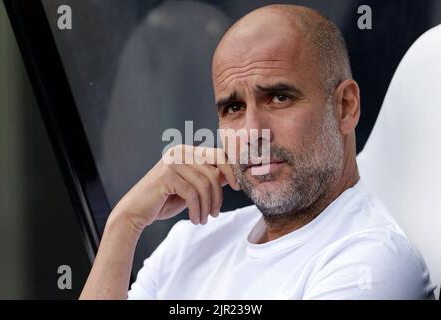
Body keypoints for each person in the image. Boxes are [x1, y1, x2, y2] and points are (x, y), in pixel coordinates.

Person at [80, 4, 435, 299]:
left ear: (344, 106)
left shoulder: (371, 264)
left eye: (280, 98)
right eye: (233, 108)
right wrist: (123, 225)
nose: (252, 133)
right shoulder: (190, 241)